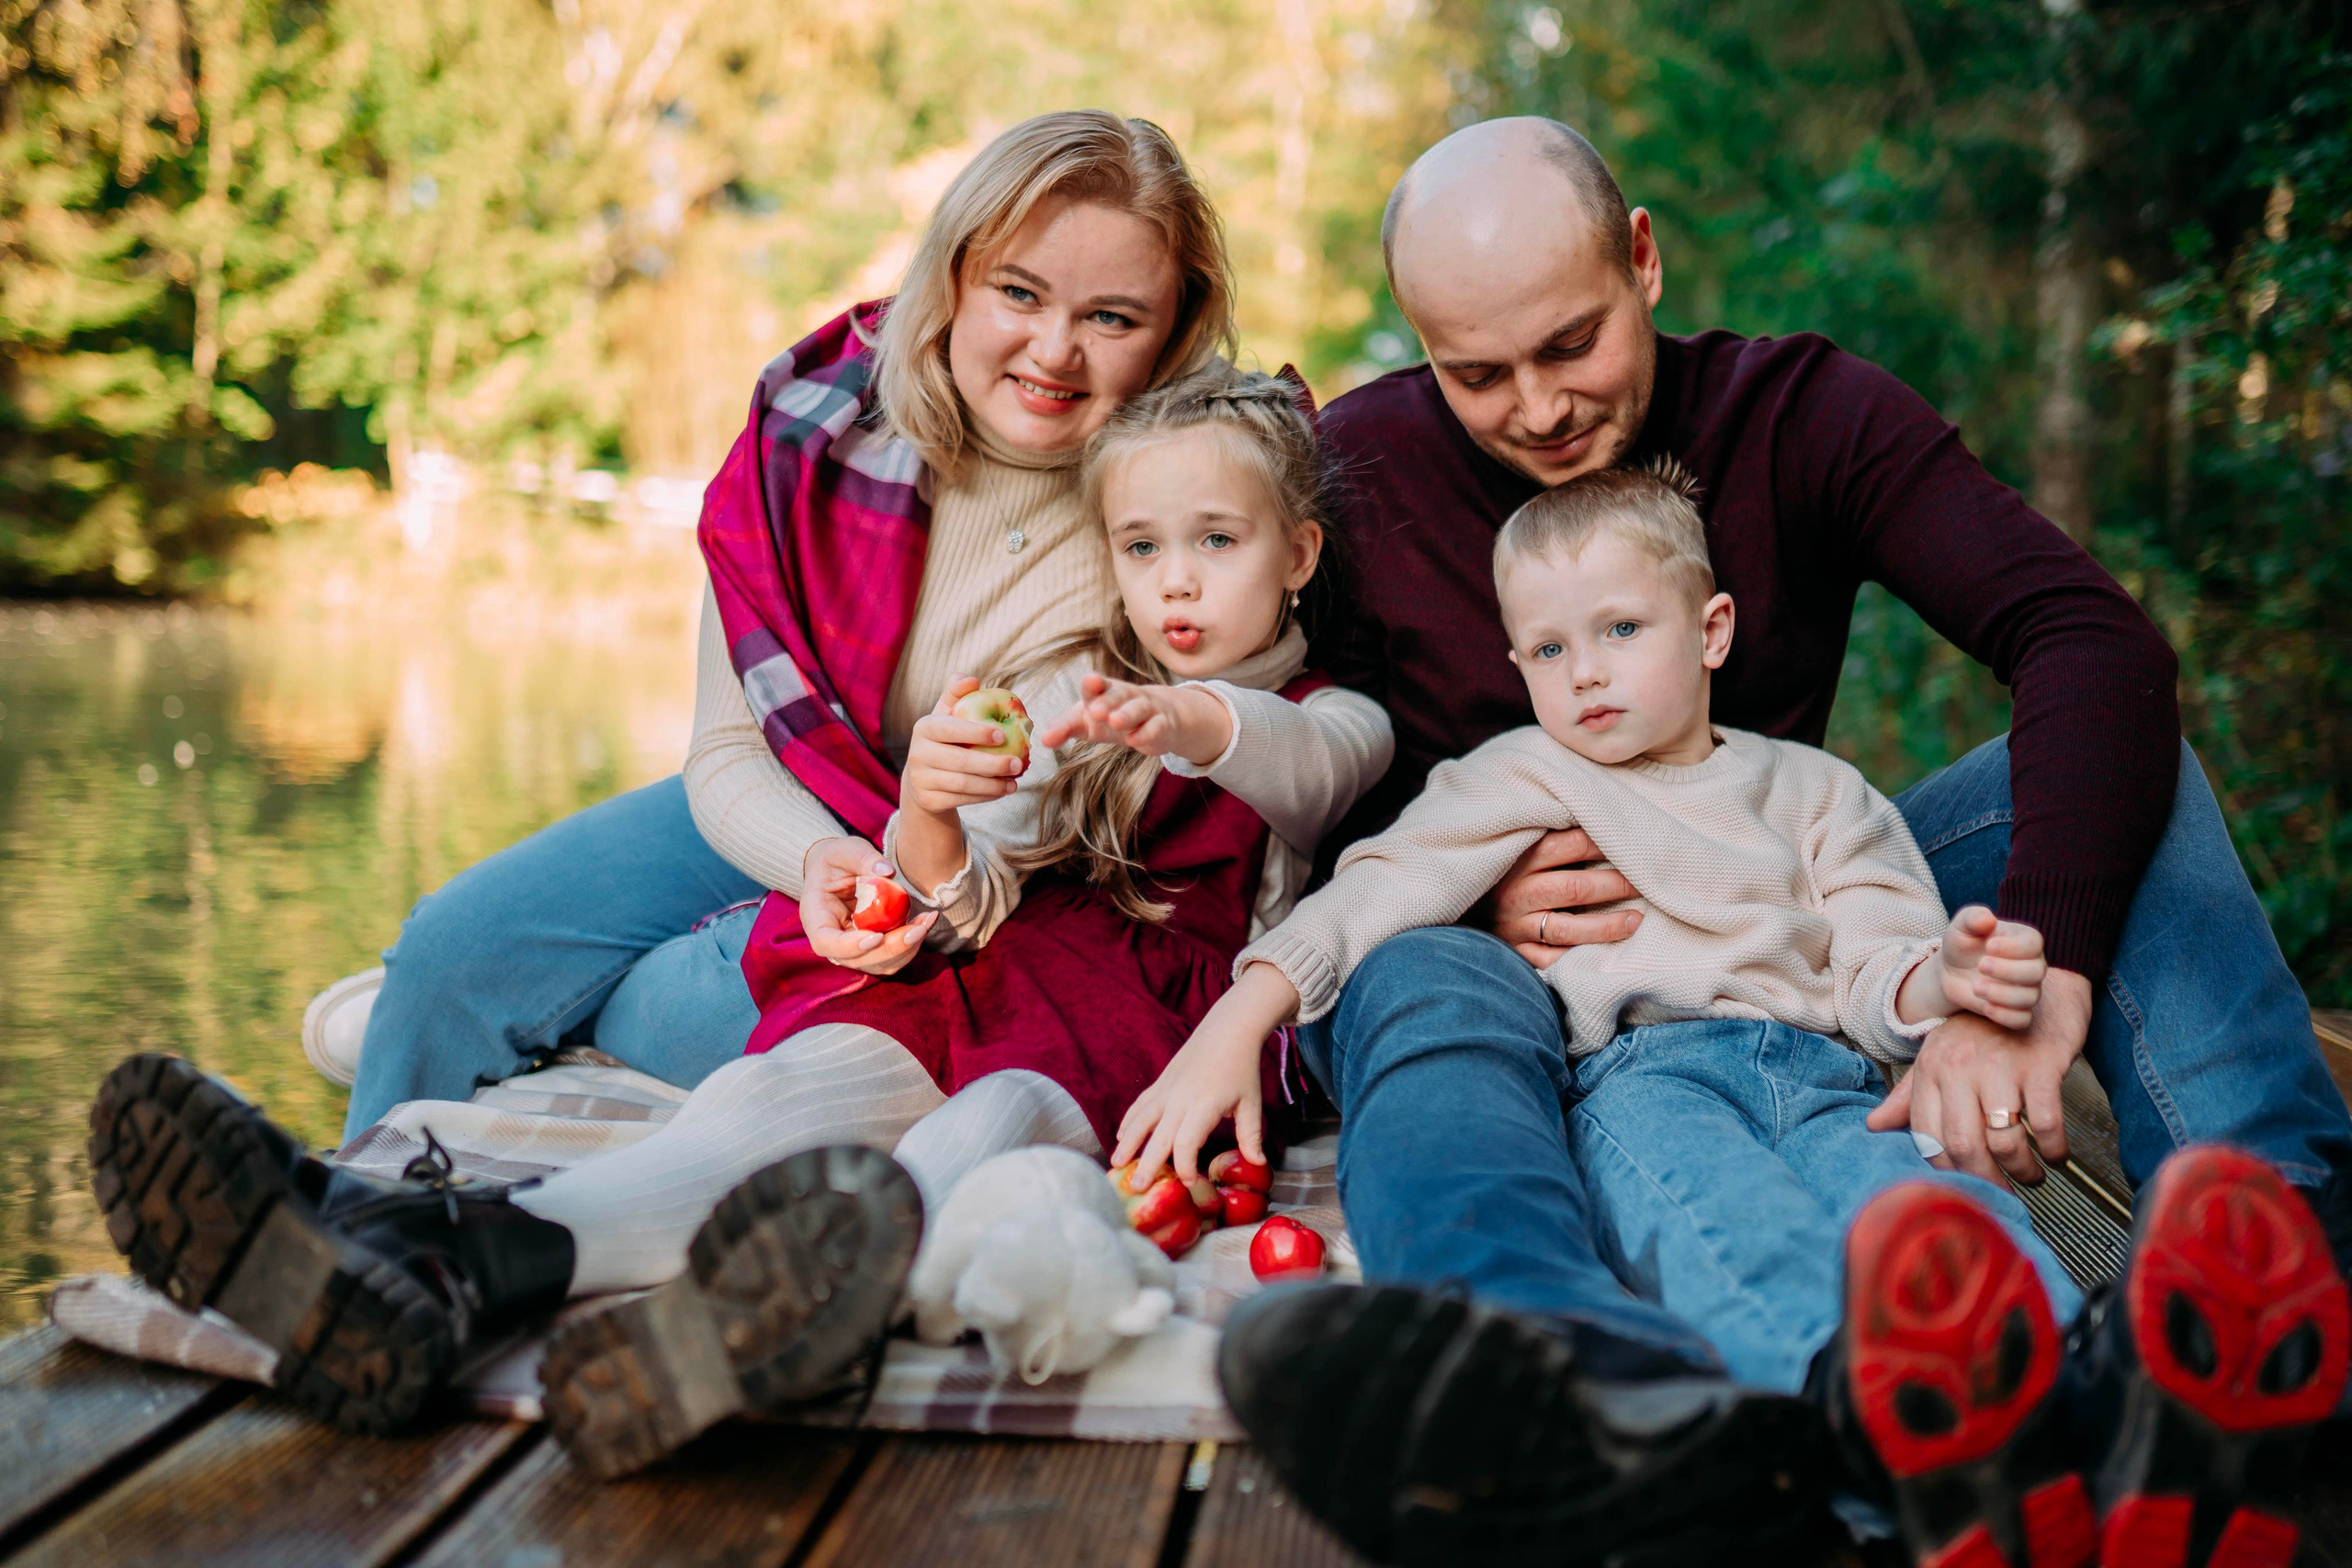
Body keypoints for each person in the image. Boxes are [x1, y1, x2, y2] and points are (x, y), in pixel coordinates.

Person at [1205, 116, 2352, 1566]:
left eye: (1573, 344)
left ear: (1643, 259)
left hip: (1797, 908)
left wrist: (2026, 985)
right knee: (1446, 985)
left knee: (2122, 769)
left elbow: (2086, 640)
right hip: (1525, 960)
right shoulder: (1355, 473)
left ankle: (2266, 1291)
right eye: (1476, 372)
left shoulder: (1799, 413)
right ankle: (1678, 1411)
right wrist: (1462, 898)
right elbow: (1276, 742)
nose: (1540, 408)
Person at [86, 357, 1397, 1479]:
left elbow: (1301, 769)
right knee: (776, 1103)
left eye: (1217, 543)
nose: (1177, 584)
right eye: (1142, 547)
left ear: (1298, 553)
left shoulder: (1333, 714)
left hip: (1141, 1045)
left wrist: (1193, 720)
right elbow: (961, 903)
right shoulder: (1076, 697)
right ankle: (434, 1254)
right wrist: (934, 814)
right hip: (987, 977)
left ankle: (770, 1307)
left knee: (982, 1141)